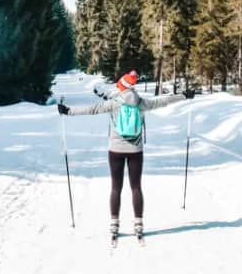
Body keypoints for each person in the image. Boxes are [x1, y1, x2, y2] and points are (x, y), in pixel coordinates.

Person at [57, 70, 195, 245]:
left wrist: (67, 111)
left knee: (116, 187)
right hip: (136, 150)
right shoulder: (141, 103)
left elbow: (92, 109)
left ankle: (114, 224)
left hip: (115, 150)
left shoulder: (114, 103)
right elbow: (163, 101)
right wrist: (184, 96)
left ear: (122, 87)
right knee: (136, 187)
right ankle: (138, 223)